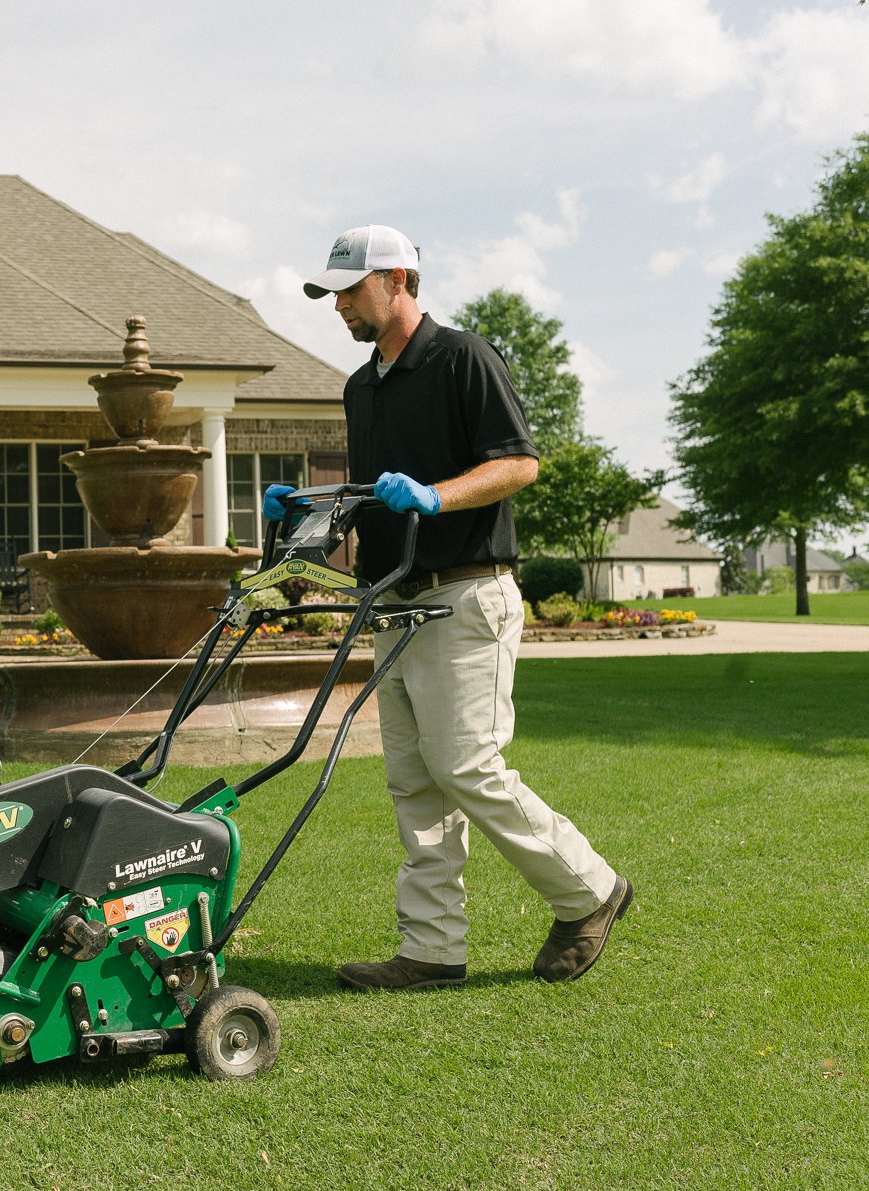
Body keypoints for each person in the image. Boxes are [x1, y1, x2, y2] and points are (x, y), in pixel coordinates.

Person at [268, 224, 632, 990]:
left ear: (398, 279)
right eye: (330, 294)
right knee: (414, 781)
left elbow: (518, 462)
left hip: (467, 593)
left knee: (467, 764)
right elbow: (373, 497)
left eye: (350, 290)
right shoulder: (361, 385)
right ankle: (433, 949)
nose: (338, 308)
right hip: (394, 602)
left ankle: (590, 889)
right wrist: (313, 509)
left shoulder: (464, 357)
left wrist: (436, 497)